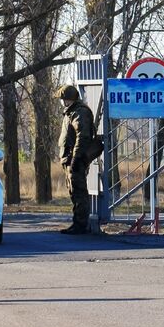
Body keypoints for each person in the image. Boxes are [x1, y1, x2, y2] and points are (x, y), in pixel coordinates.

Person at [56, 85, 96, 235]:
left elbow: (83, 136)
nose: (61, 102)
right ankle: (77, 222)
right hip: (69, 158)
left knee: (79, 192)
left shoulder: (79, 112)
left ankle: (81, 224)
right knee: (74, 192)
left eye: (62, 99)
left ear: (68, 99)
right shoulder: (71, 112)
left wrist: (76, 158)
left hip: (76, 159)